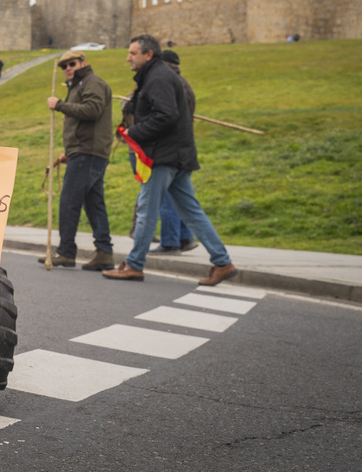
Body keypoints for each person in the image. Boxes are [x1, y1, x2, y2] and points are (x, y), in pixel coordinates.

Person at [104, 34, 237, 285]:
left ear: (148, 55)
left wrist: (134, 132)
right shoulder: (160, 76)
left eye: (133, 53)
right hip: (176, 155)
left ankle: (134, 264)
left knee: (147, 210)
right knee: (191, 211)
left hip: (162, 157)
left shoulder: (158, 78)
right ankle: (222, 262)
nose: (128, 57)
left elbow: (165, 115)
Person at [40, 50, 115, 271]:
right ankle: (104, 252)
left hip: (88, 152)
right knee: (94, 204)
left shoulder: (91, 83)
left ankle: (66, 251)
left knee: (69, 202)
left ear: (83, 62)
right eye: (64, 66)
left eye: (72, 64)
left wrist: (59, 105)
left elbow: (92, 111)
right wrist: (69, 151)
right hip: (84, 151)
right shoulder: (80, 85)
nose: (68, 68)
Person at [148, 49, 198, 255]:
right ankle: (185, 237)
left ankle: (170, 242)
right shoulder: (183, 84)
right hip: (183, 148)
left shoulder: (168, 84)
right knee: (180, 197)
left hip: (171, 149)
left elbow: (166, 117)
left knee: (168, 196)